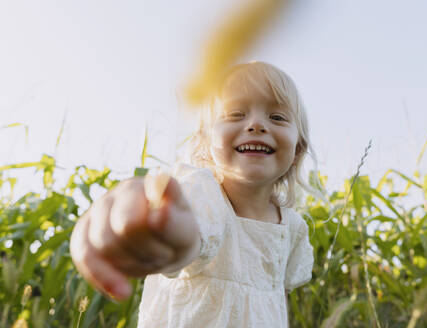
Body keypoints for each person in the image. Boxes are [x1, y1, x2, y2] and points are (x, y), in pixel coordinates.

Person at [70, 61, 319, 327]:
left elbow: (274, 303)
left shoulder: (292, 228)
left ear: (298, 151)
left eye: (277, 117)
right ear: (206, 140)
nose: (256, 124)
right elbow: (188, 236)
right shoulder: (202, 194)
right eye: (236, 114)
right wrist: (166, 233)